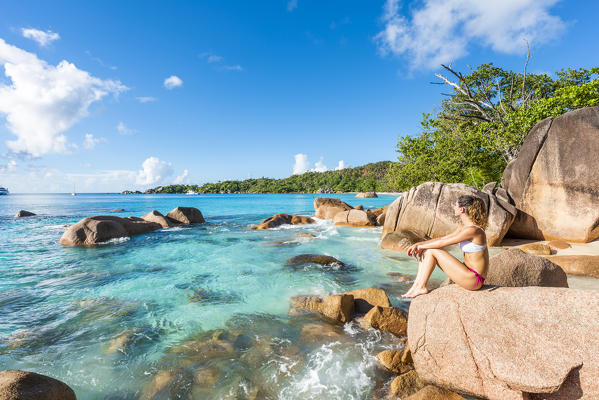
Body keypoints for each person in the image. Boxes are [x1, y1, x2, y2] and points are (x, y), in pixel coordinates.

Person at [401, 195, 489, 298]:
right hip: (468, 273)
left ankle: (420, 286)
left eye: (455, 205)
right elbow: (442, 239)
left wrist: (420, 247)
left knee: (431, 251)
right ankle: (416, 286)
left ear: (462, 209)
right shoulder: (464, 227)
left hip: (474, 279)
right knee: (428, 251)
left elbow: (443, 243)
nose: (454, 207)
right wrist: (419, 244)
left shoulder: (474, 230)